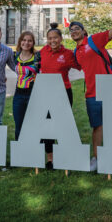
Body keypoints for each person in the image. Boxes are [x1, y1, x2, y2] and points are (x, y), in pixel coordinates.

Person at [70, 4, 112, 171]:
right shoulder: (76, 52)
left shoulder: (94, 40)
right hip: (91, 94)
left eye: (77, 28)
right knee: (97, 126)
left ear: (84, 31)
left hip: (110, 90)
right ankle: (97, 158)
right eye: (71, 30)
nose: (74, 31)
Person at [39, 23, 80, 170]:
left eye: (55, 37)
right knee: (47, 126)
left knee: (63, 125)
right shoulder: (42, 51)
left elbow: (82, 65)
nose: (52, 41)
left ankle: (66, 156)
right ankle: (50, 159)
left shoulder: (68, 54)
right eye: (50, 38)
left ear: (61, 38)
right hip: (45, 93)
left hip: (63, 92)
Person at [12, 31, 40, 141]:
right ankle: (19, 152)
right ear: (20, 42)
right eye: (24, 40)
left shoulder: (37, 57)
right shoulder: (15, 56)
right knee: (19, 125)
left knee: (33, 125)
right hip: (18, 94)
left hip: (33, 94)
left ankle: (32, 151)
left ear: (33, 43)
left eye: (29, 40)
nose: (26, 43)